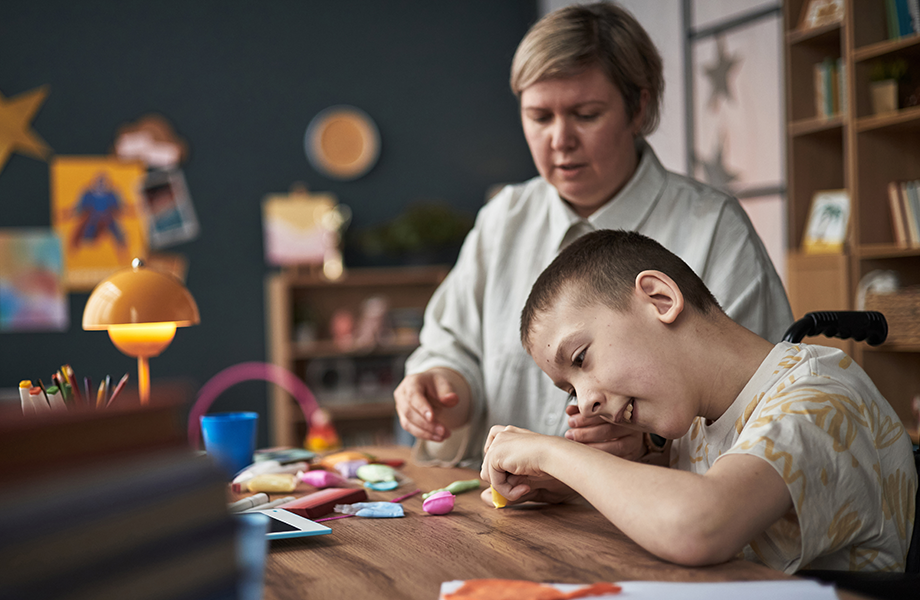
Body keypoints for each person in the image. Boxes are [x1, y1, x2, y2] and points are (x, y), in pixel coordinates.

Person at [395, 2, 793, 468]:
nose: (559, 139)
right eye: (539, 117)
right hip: (506, 515)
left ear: (638, 107)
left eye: (585, 114)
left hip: (653, 524)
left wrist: (652, 444)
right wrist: (442, 385)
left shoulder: (713, 228)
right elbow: (452, 345)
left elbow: (762, 405)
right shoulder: (502, 220)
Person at [482, 229, 916, 573]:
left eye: (580, 358)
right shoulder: (699, 421)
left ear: (660, 299)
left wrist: (553, 454)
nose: (586, 402)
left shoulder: (819, 398)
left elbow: (700, 525)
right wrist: (567, 484)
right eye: (571, 390)